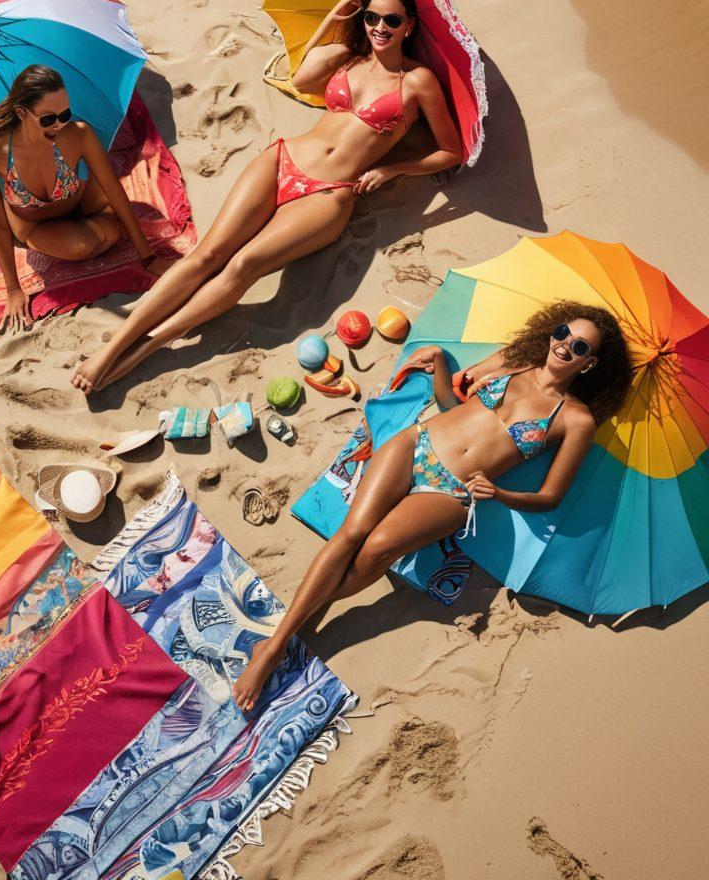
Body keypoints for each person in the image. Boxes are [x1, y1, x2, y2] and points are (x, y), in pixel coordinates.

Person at [232, 302, 632, 711]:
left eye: (579, 346)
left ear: (589, 363)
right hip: (417, 442)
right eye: (563, 333)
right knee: (351, 534)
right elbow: (450, 402)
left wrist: (500, 494)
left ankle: (293, 624)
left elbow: (551, 496)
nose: (565, 345)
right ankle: (275, 646)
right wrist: (442, 364)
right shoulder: (514, 361)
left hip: (453, 491)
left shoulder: (577, 420)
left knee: (374, 551)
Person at [70, 0, 463, 393]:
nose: (379, 27)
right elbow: (302, 78)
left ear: (409, 26)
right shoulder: (347, 56)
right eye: (371, 17)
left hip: (328, 193)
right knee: (208, 254)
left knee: (243, 266)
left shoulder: (419, 82)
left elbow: (450, 150)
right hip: (282, 160)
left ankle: (145, 348)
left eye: (391, 20)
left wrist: (394, 169)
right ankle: (114, 345)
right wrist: (332, 21)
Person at [0, 65, 157, 333]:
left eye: (64, 114)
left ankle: (95, 226)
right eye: (47, 119)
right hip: (35, 225)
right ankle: (87, 229)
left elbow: (113, 191)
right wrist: (13, 288)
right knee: (84, 244)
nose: (59, 124)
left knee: (112, 215)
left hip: (77, 203)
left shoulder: (76, 134)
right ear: (22, 112)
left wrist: (147, 255)